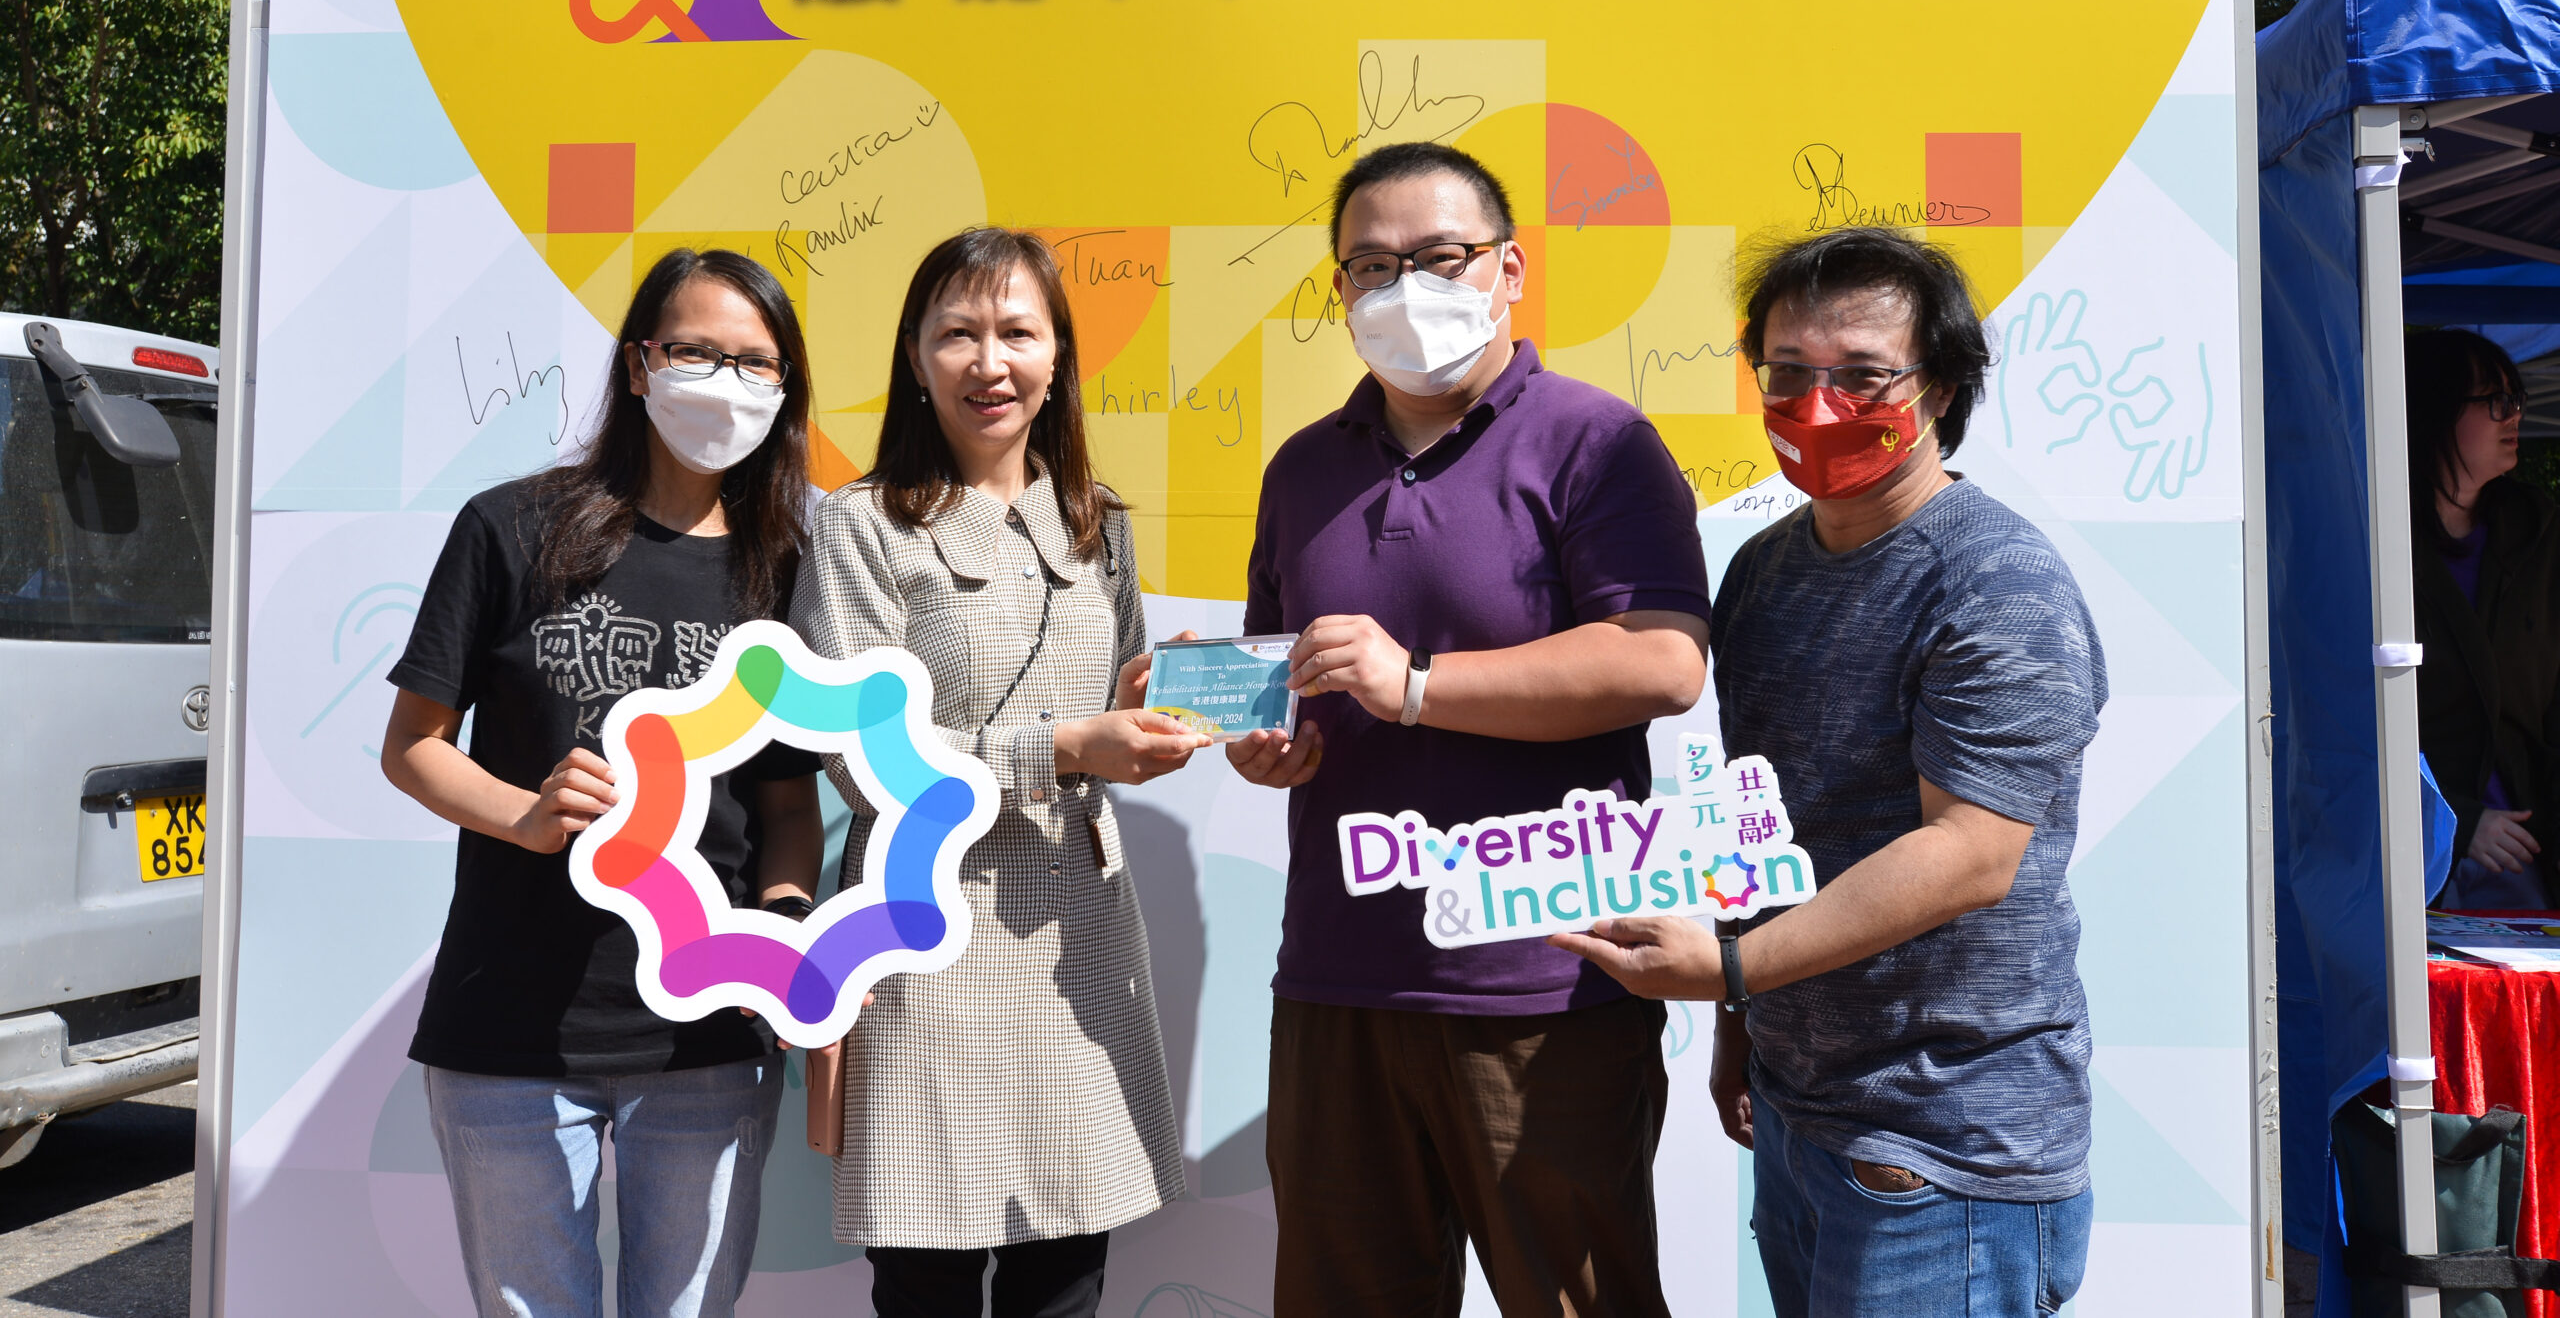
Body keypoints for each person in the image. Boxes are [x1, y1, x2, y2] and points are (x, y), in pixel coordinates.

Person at [1554, 225, 2106, 1318]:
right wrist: (1741, 1028)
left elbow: (1969, 855)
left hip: (1946, 1141)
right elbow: (1764, 828)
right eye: (1788, 374)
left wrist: (1732, 971)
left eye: (1860, 377)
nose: (1818, 406)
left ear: (1941, 385)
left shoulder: (1996, 583)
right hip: (1803, 1111)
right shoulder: (1763, 569)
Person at [1231, 141, 1713, 1318]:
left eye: (1440, 258)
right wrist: (1261, 744)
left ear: (1509, 269)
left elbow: (1663, 662)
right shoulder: (1303, 469)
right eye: (1371, 266)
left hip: (1544, 984)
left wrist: (1418, 687)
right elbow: (1270, 680)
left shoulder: (1596, 443)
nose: (1405, 289)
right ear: (1336, 289)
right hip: (1340, 982)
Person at [381, 247, 826, 1318]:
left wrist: (787, 927)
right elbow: (414, 746)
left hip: (709, 1035)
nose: (724, 381)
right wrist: (523, 816)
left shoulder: (789, 569)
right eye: (694, 352)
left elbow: (785, 803)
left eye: (756, 363)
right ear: (638, 366)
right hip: (513, 1030)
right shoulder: (511, 528)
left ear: (784, 392)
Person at [791, 227, 1202, 1318]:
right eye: (957, 334)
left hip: (1080, 935)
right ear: (915, 360)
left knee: (1066, 1273)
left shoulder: (1096, 526)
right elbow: (855, 755)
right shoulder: (861, 527)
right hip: (927, 932)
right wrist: (1065, 749)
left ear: (1059, 355)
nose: (990, 361)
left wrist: (1175, 726)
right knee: (926, 1272)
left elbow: (1121, 698)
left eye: (1018, 331)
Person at [2406, 327, 2560, 910]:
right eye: (2494, 401)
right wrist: (2459, 824)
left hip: (2537, 870)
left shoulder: (2542, 534)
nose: (2512, 414)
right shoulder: (2373, 546)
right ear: (2434, 412)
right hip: (2413, 876)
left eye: (2515, 399)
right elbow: (2349, 728)